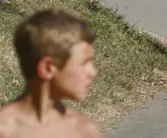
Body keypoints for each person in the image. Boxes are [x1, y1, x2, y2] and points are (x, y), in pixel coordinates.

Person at [0, 8, 100, 138]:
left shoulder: (83, 130)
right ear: (47, 68)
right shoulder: (6, 130)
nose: (93, 73)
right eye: (84, 63)